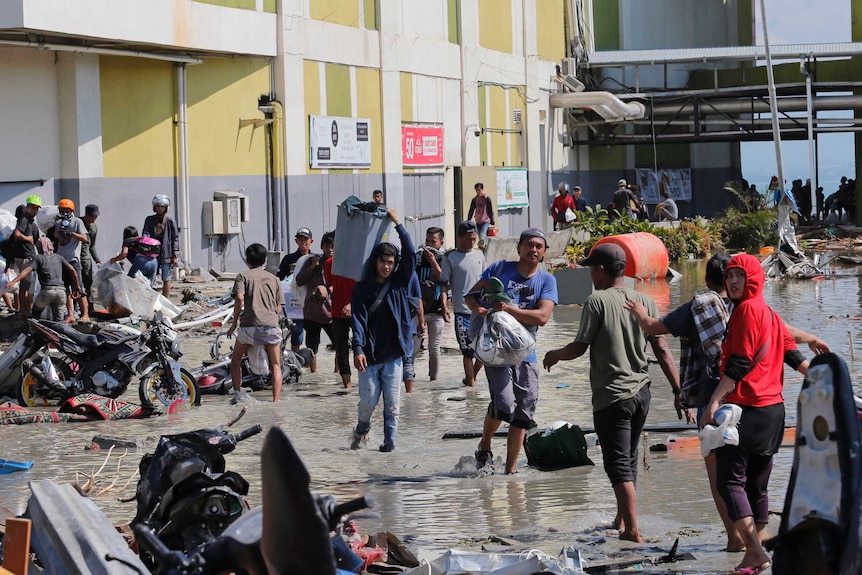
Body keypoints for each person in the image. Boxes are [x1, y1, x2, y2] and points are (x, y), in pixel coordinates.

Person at [542, 243, 679, 542]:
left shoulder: (598, 301)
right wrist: (678, 389)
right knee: (628, 458)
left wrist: (554, 354)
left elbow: (579, 347)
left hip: (613, 395)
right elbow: (662, 349)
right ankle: (621, 518)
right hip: (642, 393)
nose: (590, 274)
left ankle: (632, 530)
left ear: (600, 271)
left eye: (591, 269)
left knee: (617, 464)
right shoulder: (645, 300)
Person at [701, 254, 809, 574]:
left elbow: (739, 362)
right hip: (774, 410)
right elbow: (793, 354)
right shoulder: (771, 313)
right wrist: (819, 376)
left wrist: (714, 401)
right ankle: (756, 552)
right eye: (730, 276)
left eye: (740, 276)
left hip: (747, 409)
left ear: (753, 279)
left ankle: (754, 550)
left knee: (729, 482)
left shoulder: (746, 310)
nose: (733, 281)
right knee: (757, 486)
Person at [467, 228, 558, 475]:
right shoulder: (499, 269)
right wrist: (482, 311)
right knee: (505, 404)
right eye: (529, 244)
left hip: (525, 351)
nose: (534, 250)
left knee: (525, 409)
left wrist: (508, 309)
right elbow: (470, 296)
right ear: (519, 247)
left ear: (544, 252)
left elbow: (542, 317)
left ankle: (510, 471)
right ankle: (485, 443)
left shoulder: (547, 280)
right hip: (496, 350)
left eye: (539, 246)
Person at [350, 209, 415, 453]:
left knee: (393, 405)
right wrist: (357, 349)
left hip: (393, 355)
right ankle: (360, 431)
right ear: (375, 262)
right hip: (368, 355)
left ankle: (389, 448)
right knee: (367, 403)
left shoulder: (399, 283)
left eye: (390, 262)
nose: (386, 266)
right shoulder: (361, 289)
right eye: (382, 261)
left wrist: (398, 223)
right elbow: (357, 320)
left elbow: (410, 254)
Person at [226, 243, 286, 402]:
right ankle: (276, 401)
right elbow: (279, 308)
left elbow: (239, 298)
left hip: (249, 326)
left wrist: (233, 325)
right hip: (271, 326)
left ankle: (238, 394)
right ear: (265, 260)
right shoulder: (274, 279)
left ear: (247, 260)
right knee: (276, 365)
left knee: (236, 359)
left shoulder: (242, 276)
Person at [440, 221, 485, 387]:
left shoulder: (480, 254)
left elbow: (486, 281)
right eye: (468, 239)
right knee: (467, 351)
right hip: (461, 311)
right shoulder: (450, 258)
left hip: (480, 310)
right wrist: (444, 305)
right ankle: (471, 388)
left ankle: (470, 379)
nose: (472, 242)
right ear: (459, 238)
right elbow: (444, 283)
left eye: (474, 238)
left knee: (484, 350)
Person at [5, 237, 81, 322]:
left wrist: (14, 281)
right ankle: (60, 332)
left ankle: (34, 330)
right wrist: (76, 285)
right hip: (61, 293)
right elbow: (72, 270)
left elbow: (27, 270)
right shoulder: (59, 258)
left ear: (41, 248)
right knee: (59, 320)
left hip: (47, 292)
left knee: (35, 314)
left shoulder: (38, 258)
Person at [295, 231, 334, 373]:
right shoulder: (312, 261)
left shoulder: (340, 264)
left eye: (332, 246)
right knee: (312, 348)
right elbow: (299, 281)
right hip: (312, 312)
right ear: (322, 246)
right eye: (327, 246)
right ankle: (314, 375)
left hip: (332, 313)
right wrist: (312, 267)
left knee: (340, 346)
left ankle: (338, 374)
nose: (329, 249)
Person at [412, 227, 447, 383]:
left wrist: (433, 261)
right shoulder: (418, 257)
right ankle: (408, 377)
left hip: (436, 310)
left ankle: (433, 380)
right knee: (412, 346)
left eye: (433, 241)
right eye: (427, 240)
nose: (429, 244)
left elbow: (443, 279)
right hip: (416, 309)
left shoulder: (444, 259)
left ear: (441, 243)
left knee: (434, 348)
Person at [50, 199, 90, 323]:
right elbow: (57, 238)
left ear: (71, 210)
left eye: (66, 210)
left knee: (78, 288)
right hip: (61, 259)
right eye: (62, 210)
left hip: (73, 259)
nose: (64, 212)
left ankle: (85, 314)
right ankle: (71, 314)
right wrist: (62, 232)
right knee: (65, 289)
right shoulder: (58, 223)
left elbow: (84, 238)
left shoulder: (77, 221)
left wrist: (72, 233)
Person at [324, 232, 356, 389]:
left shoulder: (357, 261)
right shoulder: (329, 263)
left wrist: (351, 304)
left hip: (356, 310)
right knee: (342, 350)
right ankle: (347, 387)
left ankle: (365, 382)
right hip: (337, 311)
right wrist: (325, 292)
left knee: (361, 347)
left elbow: (363, 287)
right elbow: (330, 284)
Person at [276, 227, 314, 351]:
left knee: (314, 339)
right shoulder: (288, 259)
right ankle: (295, 364)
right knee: (296, 336)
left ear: (311, 241)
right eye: (300, 239)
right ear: (296, 241)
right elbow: (279, 280)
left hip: (312, 302)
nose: (303, 242)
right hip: (295, 304)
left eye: (306, 239)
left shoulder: (316, 259)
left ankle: (312, 369)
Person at [142, 194, 180, 298]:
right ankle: (148, 298)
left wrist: (175, 255)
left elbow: (175, 238)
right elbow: (145, 233)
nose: (160, 209)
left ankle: (165, 300)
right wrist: (145, 244)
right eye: (158, 206)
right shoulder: (149, 220)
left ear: (166, 208)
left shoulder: (170, 221)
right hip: (152, 252)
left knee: (166, 278)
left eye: (162, 206)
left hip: (166, 253)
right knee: (150, 277)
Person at [10, 195, 42, 314]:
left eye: (37, 209)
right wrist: (27, 239)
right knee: (25, 286)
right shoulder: (23, 220)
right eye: (34, 208)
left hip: (29, 256)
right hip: (24, 256)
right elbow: (17, 234)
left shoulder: (32, 224)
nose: (36, 211)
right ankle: (23, 310)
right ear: (28, 207)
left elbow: (37, 241)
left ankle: (26, 309)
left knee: (28, 286)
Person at [79, 204, 101, 300]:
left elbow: (92, 246)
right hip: (76, 257)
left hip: (86, 259)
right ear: (86, 215)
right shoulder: (78, 222)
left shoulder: (94, 228)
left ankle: (90, 307)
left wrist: (97, 260)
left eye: (96, 216)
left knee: (89, 284)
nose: (94, 219)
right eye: (92, 216)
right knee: (77, 283)